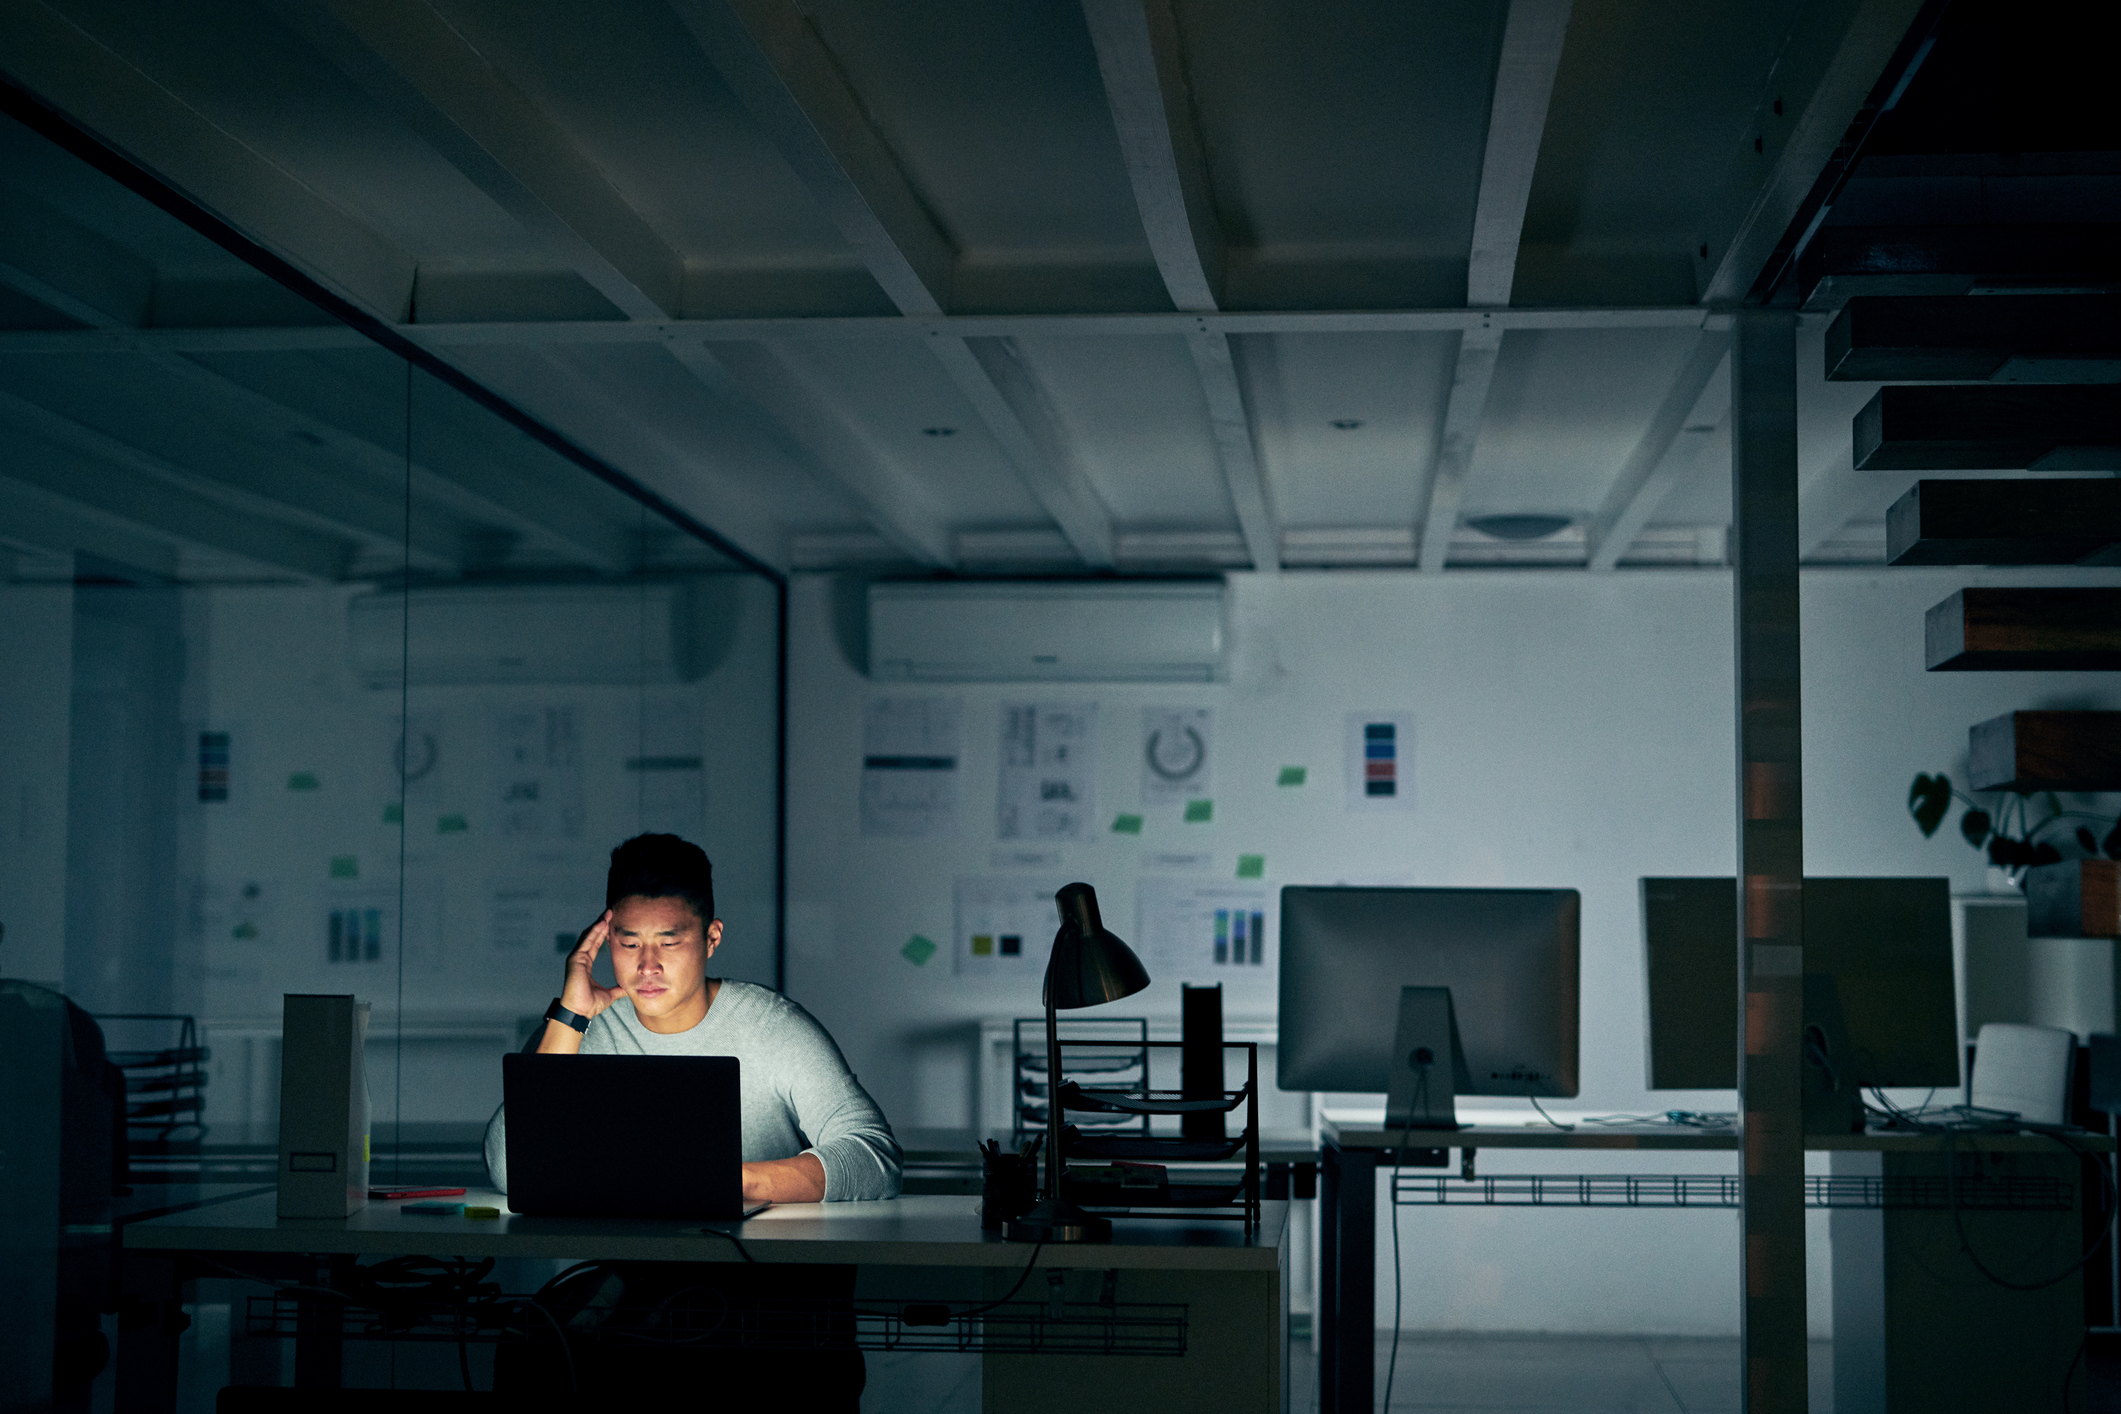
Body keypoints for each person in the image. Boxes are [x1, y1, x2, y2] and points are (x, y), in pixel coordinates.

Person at [483, 832, 900, 1202]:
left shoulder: (773, 1027)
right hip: (633, 1268)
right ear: (606, 941)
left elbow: (873, 1155)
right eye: (629, 945)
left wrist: (734, 1183)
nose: (648, 966)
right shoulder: (576, 1029)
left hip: (761, 1266)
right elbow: (510, 1170)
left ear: (711, 939)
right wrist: (570, 1014)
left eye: (669, 943)